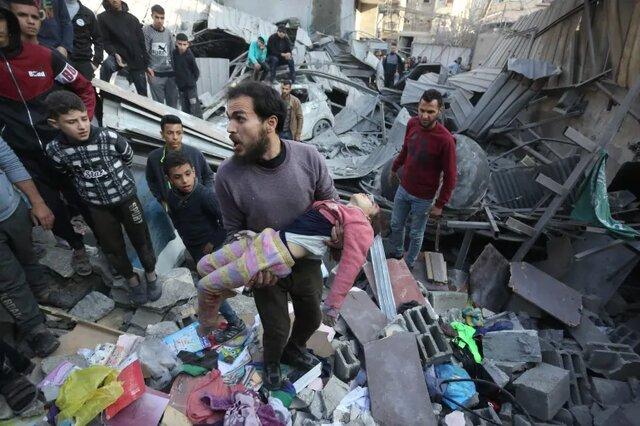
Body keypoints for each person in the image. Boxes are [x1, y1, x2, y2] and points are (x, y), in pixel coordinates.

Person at [214, 81, 339, 389]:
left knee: (311, 318)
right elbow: (233, 233)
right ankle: (272, 361)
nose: (230, 128)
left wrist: (338, 233)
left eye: (240, 118)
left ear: (270, 123)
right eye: (228, 118)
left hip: (305, 261)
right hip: (265, 267)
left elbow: (332, 207)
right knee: (276, 327)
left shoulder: (309, 158)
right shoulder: (227, 175)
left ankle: (294, 350)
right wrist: (253, 267)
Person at [0, 3, 96, 276]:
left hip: (62, 148)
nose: (29, 22)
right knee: (51, 207)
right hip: (25, 156)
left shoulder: (46, 56)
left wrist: (82, 124)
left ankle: (107, 246)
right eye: (22, 15)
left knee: (86, 200)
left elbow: (84, 88)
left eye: (34, 16)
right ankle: (77, 247)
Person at [197, 193, 379, 332]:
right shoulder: (338, 207)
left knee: (204, 286)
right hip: (264, 239)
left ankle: (207, 324)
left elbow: (350, 266)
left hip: (271, 255)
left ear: (369, 217)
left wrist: (332, 306)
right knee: (203, 266)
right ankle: (225, 291)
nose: (369, 196)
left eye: (373, 203)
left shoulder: (361, 225)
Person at [44, 91, 161, 306]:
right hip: (97, 207)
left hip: (126, 199)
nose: (82, 126)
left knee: (141, 239)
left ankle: (151, 275)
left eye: (84, 118)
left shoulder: (108, 137)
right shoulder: (55, 150)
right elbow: (66, 172)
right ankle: (132, 280)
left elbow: (127, 156)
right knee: (112, 247)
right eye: (72, 122)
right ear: (55, 123)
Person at [162, 152, 246, 343]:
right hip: (195, 248)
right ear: (169, 179)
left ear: (194, 172)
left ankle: (235, 323)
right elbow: (176, 218)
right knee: (209, 288)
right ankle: (221, 314)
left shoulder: (205, 195)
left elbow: (225, 223)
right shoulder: (172, 196)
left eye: (188, 174)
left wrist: (212, 242)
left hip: (212, 249)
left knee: (210, 289)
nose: (185, 180)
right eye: (178, 177)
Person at [0, 137, 60, 358]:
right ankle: (34, 327)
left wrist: (37, 202)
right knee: (8, 279)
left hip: (11, 209)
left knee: (28, 255)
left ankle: (41, 291)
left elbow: (9, 161)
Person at [388, 89, 457, 268]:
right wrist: (394, 168)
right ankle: (397, 254)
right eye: (421, 110)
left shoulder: (446, 140)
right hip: (404, 188)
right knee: (396, 224)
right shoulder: (412, 124)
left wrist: (440, 204)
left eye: (430, 112)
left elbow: (450, 176)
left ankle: (409, 263)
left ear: (440, 111)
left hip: (424, 197)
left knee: (416, 233)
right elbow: (405, 149)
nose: (425, 116)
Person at [146, 114, 214, 206]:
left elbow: (208, 175)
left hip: (199, 204)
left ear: (182, 133)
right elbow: (151, 181)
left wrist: (208, 196)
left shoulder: (195, 153)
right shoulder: (154, 157)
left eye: (178, 133)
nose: (175, 137)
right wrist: (161, 199)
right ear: (162, 134)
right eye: (170, 133)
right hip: (173, 207)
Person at [98, 0, 150, 96]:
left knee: (143, 97)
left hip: (137, 60)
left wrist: (147, 64)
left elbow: (142, 43)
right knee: (106, 66)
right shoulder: (102, 18)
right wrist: (114, 53)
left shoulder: (133, 19)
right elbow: (105, 41)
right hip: (118, 56)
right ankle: (103, 96)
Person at [143, 4, 177, 108]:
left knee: (173, 106)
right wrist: (147, 68)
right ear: (152, 16)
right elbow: (144, 52)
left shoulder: (168, 32)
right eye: (157, 17)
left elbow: (173, 53)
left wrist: (177, 71)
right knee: (159, 107)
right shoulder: (146, 31)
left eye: (162, 18)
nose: (159, 20)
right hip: (155, 74)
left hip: (170, 74)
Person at [66, 0, 103, 80]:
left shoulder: (88, 14)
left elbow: (98, 39)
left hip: (82, 61)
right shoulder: (54, 10)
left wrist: (96, 62)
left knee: (83, 87)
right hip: (60, 58)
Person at [172, 33, 202, 118]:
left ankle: (198, 122)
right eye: (180, 44)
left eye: (184, 44)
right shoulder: (174, 53)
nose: (182, 47)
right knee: (185, 107)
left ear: (187, 44)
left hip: (190, 87)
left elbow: (196, 72)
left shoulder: (189, 55)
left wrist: (191, 81)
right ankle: (187, 123)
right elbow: (175, 68)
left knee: (194, 107)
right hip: (181, 86)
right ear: (176, 43)